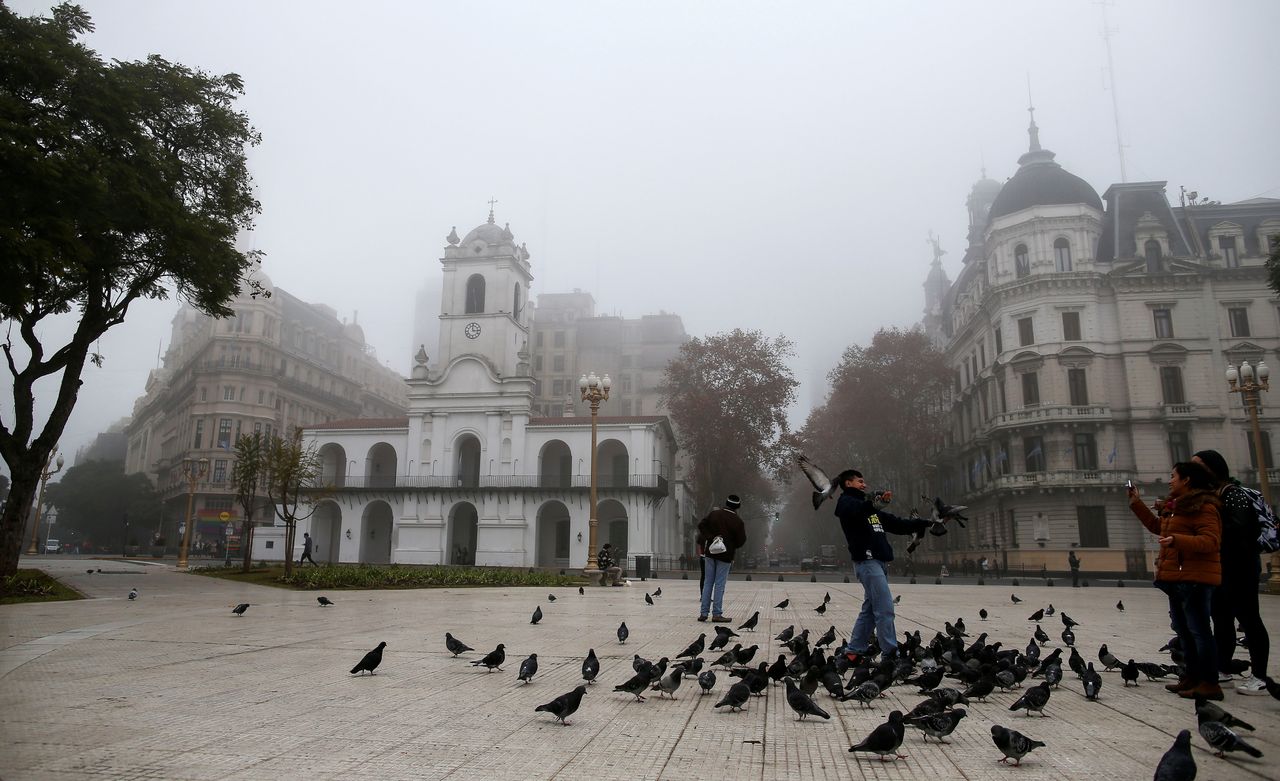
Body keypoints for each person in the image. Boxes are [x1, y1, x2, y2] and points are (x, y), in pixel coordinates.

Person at [1127, 461, 1223, 700]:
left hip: (1196, 578)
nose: (1170, 480)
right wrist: (1137, 504)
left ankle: (1210, 682)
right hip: (1177, 578)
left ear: (1187, 480)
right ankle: (1191, 677)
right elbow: (1159, 527)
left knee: (1200, 632)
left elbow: (1211, 541)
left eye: (1173, 476)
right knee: (1184, 631)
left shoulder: (1205, 507)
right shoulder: (1177, 507)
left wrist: (1176, 540)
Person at [832, 469, 937, 663]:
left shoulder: (870, 511)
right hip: (867, 561)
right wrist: (873, 503)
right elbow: (852, 511)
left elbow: (897, 524)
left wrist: (929, 523)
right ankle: (890, 654)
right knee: (885, 608)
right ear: (848, 484)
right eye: (860, 481)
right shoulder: (846, 503)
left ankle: (854, 650)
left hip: (879, 562)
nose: (864, 485)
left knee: (871, 609)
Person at [1192, 449, 1271, 695]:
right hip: (1219, 567)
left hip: (1240, 566)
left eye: (1197, 467)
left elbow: (1240, 530)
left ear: (1212, 469)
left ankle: (1259, 676)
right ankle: (1223, 668)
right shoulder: (1211, 495)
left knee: (1249, 619)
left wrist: (1209, 529)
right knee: (1221, 619)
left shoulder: (1233, 494)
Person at [696, 494, 747, 622]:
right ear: (737, 507)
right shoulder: (738, 521)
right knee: (719, 584)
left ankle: (703, 613)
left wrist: (711, 537)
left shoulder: (714, 514)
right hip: (725, 556)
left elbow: (701, 525)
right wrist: (730, 544)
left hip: (710, 553)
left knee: (708, 582)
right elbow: (741, 541)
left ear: (726, 503)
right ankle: (717, 614)